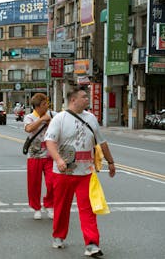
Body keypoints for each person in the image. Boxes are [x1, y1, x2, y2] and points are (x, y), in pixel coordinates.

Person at [45, 87, 116, 257]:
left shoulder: (91, 118)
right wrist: (59, 160)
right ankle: (58, 236)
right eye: (84, 97)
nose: (87, 99)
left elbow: (102, 142)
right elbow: (50, 142)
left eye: (87, 97)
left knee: (88, 209)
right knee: (62, 207)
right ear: (73, 100)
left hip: (86, 174)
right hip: (64, 173)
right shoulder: (59, 119)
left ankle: (92, 244)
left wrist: (111, 162)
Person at [24, 93, 55, 220]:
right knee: (34, 184)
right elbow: (29, 129)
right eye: (44, 104)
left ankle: (50, 205)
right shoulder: (29, 117)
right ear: (38, 106)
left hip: (50, 154)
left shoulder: (53, 115)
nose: (47, 106)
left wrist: (50, 121)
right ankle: (36, 208)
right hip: (34, 155)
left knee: (52, 182)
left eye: (47, 103)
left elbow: (60, 127)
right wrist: (42, 120)